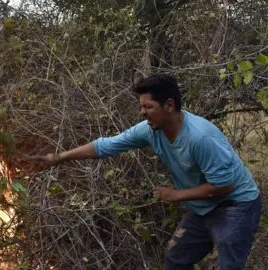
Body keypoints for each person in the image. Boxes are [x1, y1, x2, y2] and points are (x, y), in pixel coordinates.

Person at [24, 74, 261, 270]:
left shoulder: (201, 137)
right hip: (203, 208)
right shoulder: (150, 130)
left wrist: (177, 195)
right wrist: (59, 157)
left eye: (148, 107)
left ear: (169, 105)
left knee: (229, 266)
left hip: (235, 205)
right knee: (176, 259)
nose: (143, 113)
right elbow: (106, 145)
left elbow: (224, 185)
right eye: (141, 107)